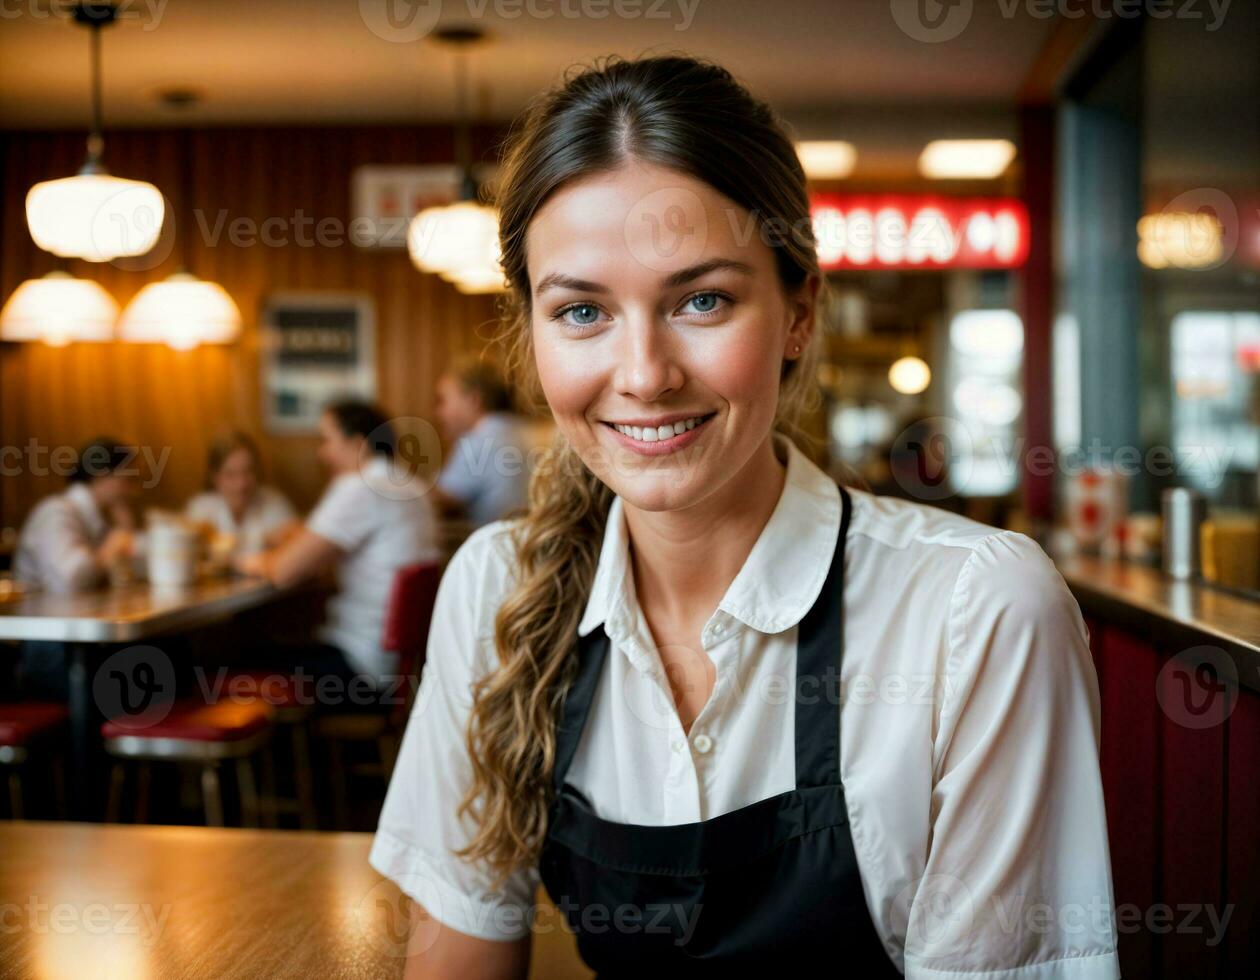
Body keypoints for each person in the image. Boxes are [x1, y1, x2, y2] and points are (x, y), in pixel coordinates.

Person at [370, 56, 1119, 979]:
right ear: (530, 332)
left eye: (702, 300)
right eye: (581, 311)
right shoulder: (496, 587)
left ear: (799, 311)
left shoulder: (975, 611)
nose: (644, 374)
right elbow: (458, 959)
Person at [235, 400, 441, 693]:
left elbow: (283, 571)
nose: (321, 452)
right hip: (401, 666)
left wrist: (243, 560)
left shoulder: (359, 487)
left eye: (327, 440)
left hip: (360, 665)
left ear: (358, 444)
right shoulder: (413, 487)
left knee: (235, 657)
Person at [14, 436, 138, 594]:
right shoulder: (56, 512)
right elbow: (69, 582)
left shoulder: (96, 519)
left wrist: (124, 527)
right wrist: (112, 547)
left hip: (64, 613)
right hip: (36, 614)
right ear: (102, 474)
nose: (133, 491)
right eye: (128, 480)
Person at [432, 357, 532, 526]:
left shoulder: (478, 440)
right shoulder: (521, 429)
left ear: (473, 400)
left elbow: (441, 501)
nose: (439, 412)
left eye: (444, 400)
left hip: (498, 544)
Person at [185, 430, 297, 553]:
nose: (241, 484)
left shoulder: (275, 503)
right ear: (215, 477)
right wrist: (263, 540)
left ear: (257, 471)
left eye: (248, 471)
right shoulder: (200, 508)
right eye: (230, 475)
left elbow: (293, 551)